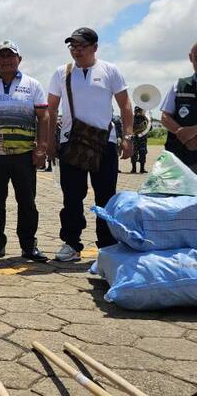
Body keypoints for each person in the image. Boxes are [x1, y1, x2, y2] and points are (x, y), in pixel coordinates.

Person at [47, 27, 133, 262]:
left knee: (106, 196)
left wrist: (128, 137)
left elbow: (125, 105)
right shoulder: (61, 72)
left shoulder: (110, 70)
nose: (76, 50)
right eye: (72, 46)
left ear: (94, 47)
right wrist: (49, 142)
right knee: (72, 197)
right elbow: (51, 109)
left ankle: (106, 245)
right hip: (71, 142)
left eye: (81, 46)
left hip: (104, 142)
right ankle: (71, 243)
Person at [0, 40, 49, 261]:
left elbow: (44, 117)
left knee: (27, 201)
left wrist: (42, 147)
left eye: (10, 56)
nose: (6, 60)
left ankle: (28, 245)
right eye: (2, 56)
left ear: (19, 60)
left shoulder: (32, 85)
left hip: (24, 155)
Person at [160, 41, 197, 172]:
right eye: (196, 57)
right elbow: (165, 117)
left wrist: (193, 131)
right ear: (190, 57)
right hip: (180, 159)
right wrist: (183, 135)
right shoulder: (178, 85)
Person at [130, 107, 149, 174]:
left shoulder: (145, 118)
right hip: (134, 139)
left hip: (143, 139)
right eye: (136, 111)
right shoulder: (132, 118)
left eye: (139, 111)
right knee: (133, 154)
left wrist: (146, 120)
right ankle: (133, 169)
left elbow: (150, 128)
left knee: (143, 153)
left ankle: (142, 169)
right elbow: (130, 128)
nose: (137, 112)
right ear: (134, 111)